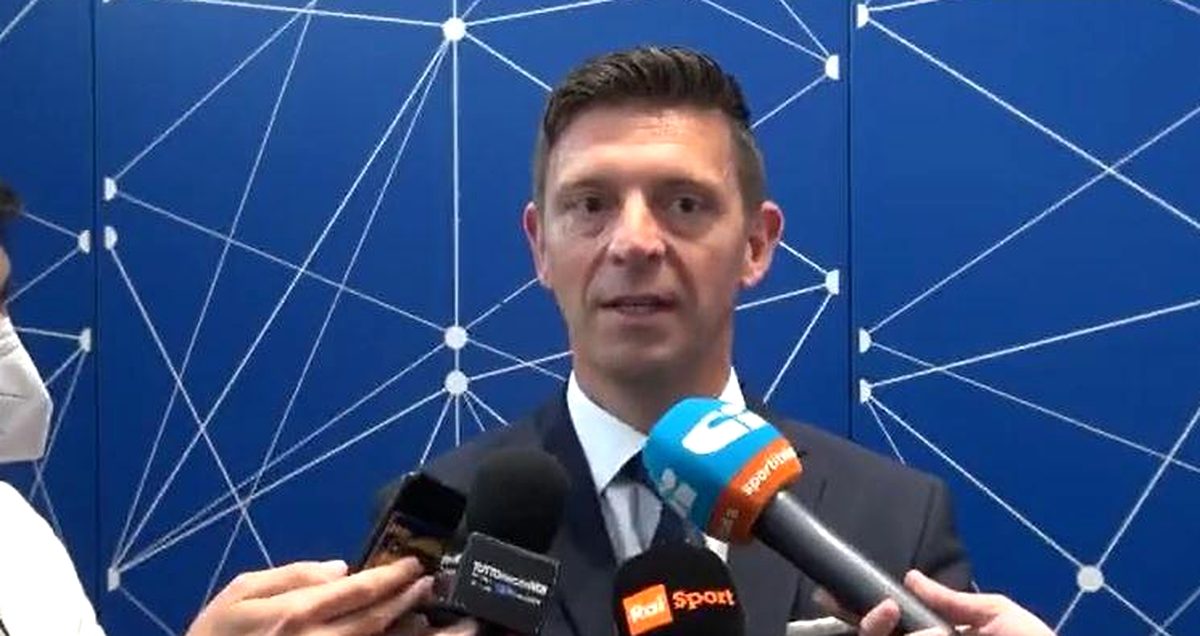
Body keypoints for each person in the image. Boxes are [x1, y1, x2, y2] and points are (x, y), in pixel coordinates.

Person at [419, 46, 971, 636]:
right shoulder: (440, 523)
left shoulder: (895, 521)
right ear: (541, 247)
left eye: (684, 204)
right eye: (591, 204)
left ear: (756, 244)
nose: (634, 243)